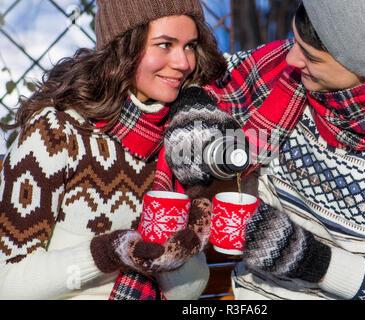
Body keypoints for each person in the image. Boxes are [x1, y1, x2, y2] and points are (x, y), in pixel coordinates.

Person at [166, 0, 365, 299]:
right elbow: (203, 75)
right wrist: (194, 115)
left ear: (361, 64)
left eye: (311, 56)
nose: (291, 58)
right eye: (295, 42)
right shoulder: (283, 77)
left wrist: (313, 261)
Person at [0, 0, 228, 300]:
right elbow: (9, 284)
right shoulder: (58, 132)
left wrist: (180, 254)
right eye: (164, 44)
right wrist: (108, 253)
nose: (184, 63)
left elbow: (187, 295)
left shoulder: (181, 139)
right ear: (123, 47)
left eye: (189, 46)